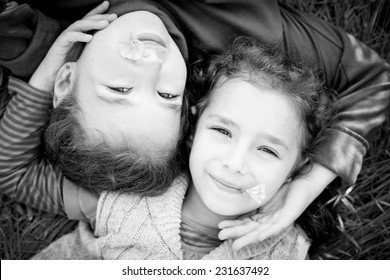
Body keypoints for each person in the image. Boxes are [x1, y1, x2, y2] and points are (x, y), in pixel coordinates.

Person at [0, 0, 389, 249]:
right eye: (167, 97)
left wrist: (46, 71)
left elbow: (11, 173)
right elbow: (376, 79)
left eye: (119, 89)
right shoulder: (251, 34)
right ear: (192, 115)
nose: (152, 64)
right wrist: (307, 185)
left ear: (67, 81)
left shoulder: (24, 37)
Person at [33, 37, 333, 259]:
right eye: (222, 130)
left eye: (268, 150)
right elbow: (13, 176)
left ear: (297, 168)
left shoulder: (286, 254)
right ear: (191, 131)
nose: (235, 162)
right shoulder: (125, 199)